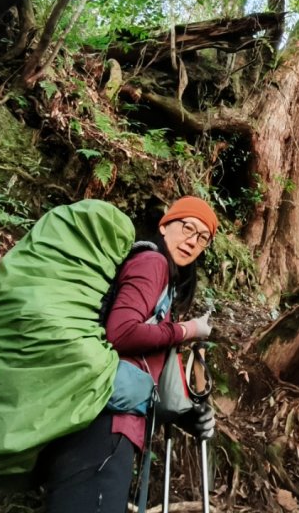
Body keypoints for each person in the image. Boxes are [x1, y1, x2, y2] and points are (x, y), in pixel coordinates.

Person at [38, 195, 219, 513]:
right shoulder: (153, 263)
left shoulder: (164, 282)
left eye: (202, 237)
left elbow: (141, 370)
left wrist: (187, 416)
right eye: (187, 228)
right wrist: (186, 331)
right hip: (103, 425)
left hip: (106, 421)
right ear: (165, 225)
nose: (192, 241)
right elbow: (121, 332)